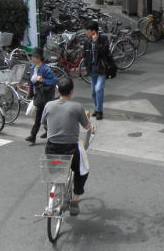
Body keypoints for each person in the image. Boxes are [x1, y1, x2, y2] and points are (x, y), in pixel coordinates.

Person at [41, 76, 95, 216]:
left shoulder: (49, 105)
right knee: (82, 171)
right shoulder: (77, 107)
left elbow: (44, 124)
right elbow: (87, 126)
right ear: (72, 91)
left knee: (56, 169)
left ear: (57, 90)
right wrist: (88, 119)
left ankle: (55, 190)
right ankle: (75, 202)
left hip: (52, 148)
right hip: (71, 149)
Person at [26, 50, 58, 144]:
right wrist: (30, 93)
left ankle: (34, 136)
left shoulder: (46, 69)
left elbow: (54, 81)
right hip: (39, 96)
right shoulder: (33, 67)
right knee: (41, 117)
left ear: (38, 58)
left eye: (33, 57)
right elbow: (31, 81)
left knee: (41, 117)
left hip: (46, 97)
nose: (32, 58)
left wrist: (43, 80)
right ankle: (39, 134)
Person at [84, 21, 112, 120]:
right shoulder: (87, 41)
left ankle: (99, 111)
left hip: (101, 68)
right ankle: (97, 108)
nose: (86, 32)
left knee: (98, 88)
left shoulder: (103, 38)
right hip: (92, 68)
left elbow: (105, 52)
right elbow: (85, 54)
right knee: (93, 91)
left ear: (93, 31)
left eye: (87, 31)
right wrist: (87, 65)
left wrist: (96, 42)